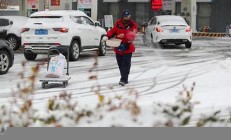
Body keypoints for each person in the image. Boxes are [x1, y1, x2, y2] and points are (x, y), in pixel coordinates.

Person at [107, 9, 138, 86]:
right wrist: (107, 36)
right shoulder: (118, 23)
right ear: (122, 17)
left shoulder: (133, 24)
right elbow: (113, 31)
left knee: (126, 64)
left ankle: (124, 79)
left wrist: (124, 35)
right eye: (125, 17)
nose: (127, 18)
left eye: (128, 16)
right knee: (120, 64)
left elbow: (133, 34)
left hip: (128, 47)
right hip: (118, 47)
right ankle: (123, 77)